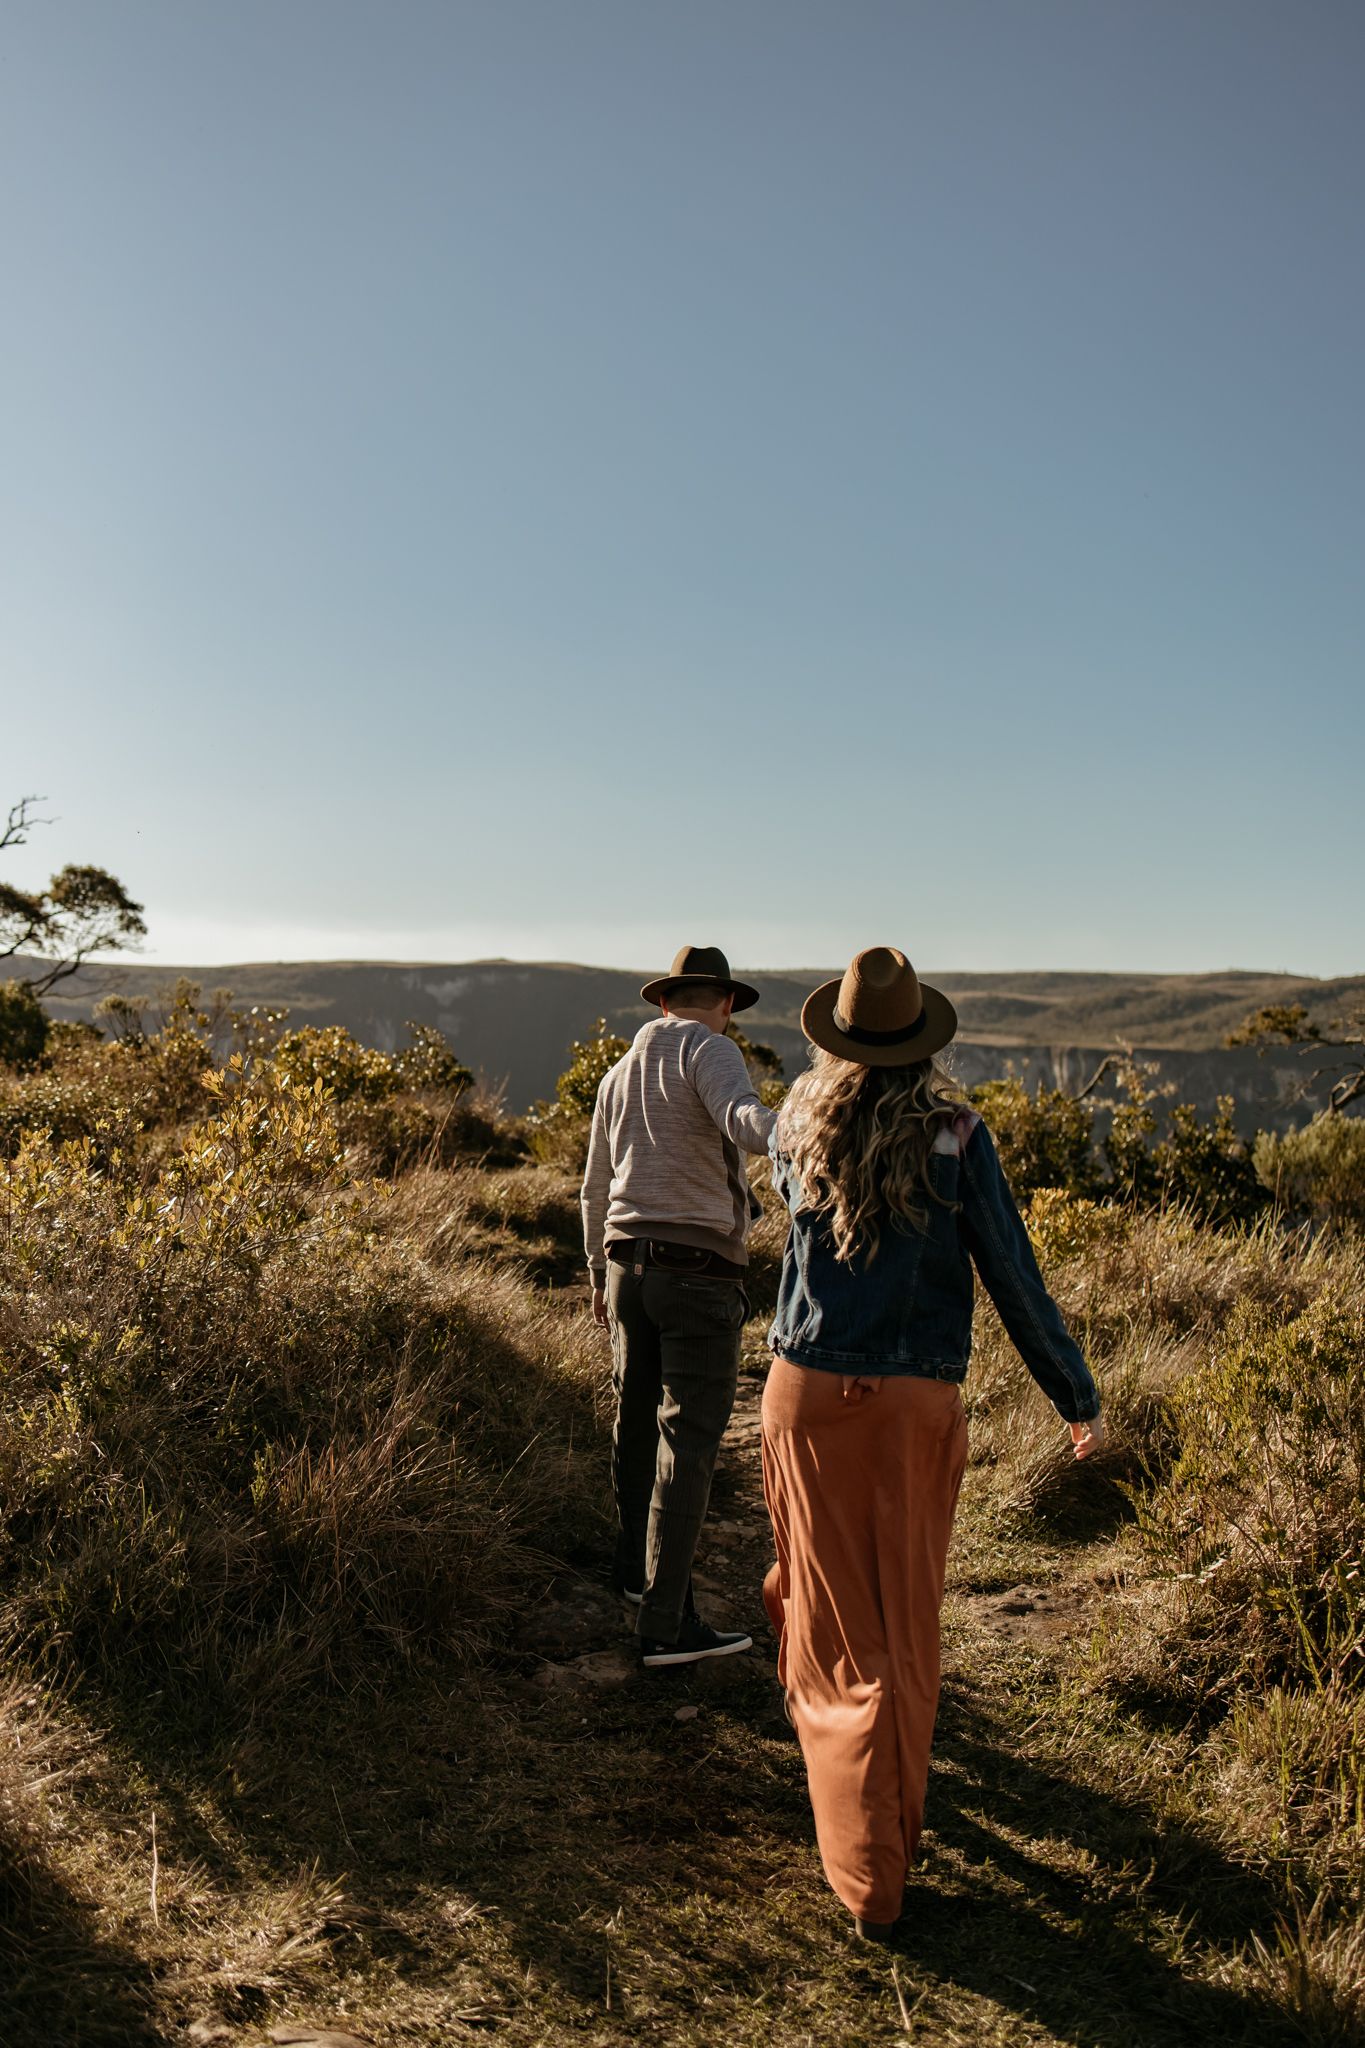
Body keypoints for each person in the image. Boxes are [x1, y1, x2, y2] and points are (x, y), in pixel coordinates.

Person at [760, 946, 1104, 1942]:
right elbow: (1010, 1270)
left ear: (838, 1036)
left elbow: (801, 1232)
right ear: (921, 1040)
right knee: (898, 1631)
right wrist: (1073, 1392)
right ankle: (876, 1869)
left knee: (822, 1613)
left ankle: (858, 1845)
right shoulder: (957, 1134)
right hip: (908, 1405)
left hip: (802, 1394)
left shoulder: (796, 1124)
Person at [581, 944, 778, 1667]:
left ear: (664, 1001)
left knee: (635, 1423)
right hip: (697, 1271)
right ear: (724, 1004)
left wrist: (596, 1273)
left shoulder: (617, 1072)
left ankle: (634, 1575)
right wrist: (813, 1128)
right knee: (688, 1440)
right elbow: (745, 1122)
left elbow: (594, 1186)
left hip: (625, 1266)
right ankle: (666, 1625)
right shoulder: (711, 1048)